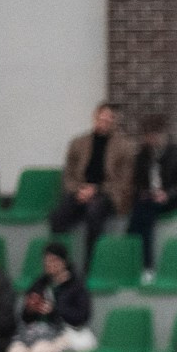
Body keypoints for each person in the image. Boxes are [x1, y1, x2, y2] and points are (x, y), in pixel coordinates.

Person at [48, 102, 136, 265]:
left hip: (107, 193)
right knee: (58, 216)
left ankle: (91, 264)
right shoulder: (78, 143)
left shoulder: (125, 147)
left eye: (109, 119)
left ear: (115, 122)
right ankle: (59, 263)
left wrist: (96, 190)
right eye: (101, 118)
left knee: (94, 213)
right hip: (80, 190)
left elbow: (124, 181)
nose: (104, 122)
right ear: (95, 118)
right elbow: (68, 174)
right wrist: (79, 190)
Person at [124, 113, 177, 272]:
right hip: (151, 199)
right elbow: (137, 181)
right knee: (139, 213)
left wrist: (168, 194)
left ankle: (146, 264)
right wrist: (144, 192)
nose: (150, 140)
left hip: (175, 199)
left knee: (141, 216)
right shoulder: (143, 155)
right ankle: (138, 261)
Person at [3, 244, 94, 352]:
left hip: (62, 333)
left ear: (64, 262)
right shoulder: (40, 283)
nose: (49, 264)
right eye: (47, 261)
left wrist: (55, 311)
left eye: (54, 260)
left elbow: (81, 317)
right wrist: (30, 309)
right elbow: (25, 316)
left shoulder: (76, 286)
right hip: (35, 332)